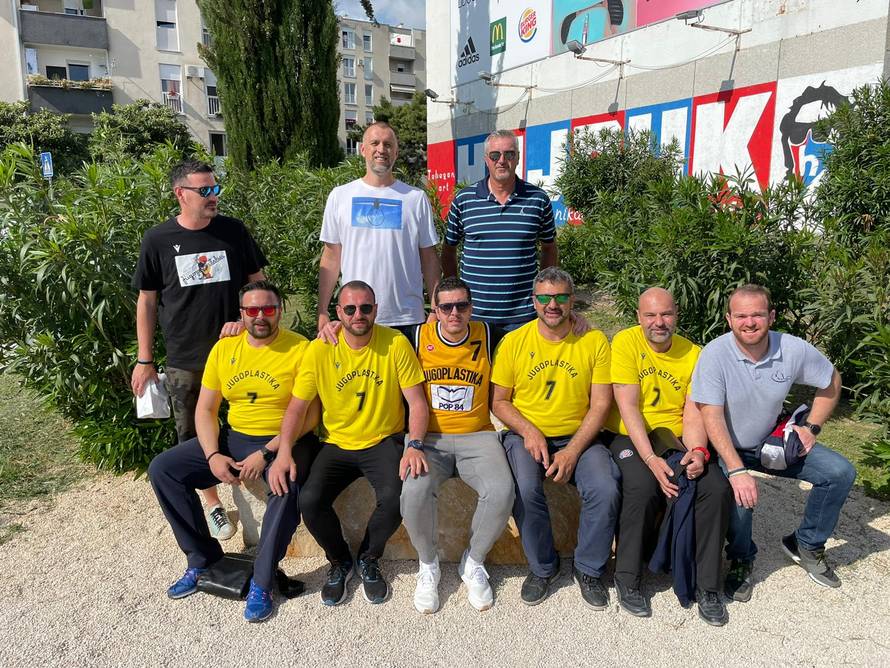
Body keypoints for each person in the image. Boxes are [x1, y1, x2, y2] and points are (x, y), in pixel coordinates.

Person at [148, 281, 319, 623]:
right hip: (235, 437)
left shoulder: (301, 349)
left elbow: (309, 415)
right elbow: (206, 410)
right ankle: (201, 559)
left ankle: (263, 579)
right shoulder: (224, 349)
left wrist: (269, 453)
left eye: (268, 309)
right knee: (163, 469)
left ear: (279, 311)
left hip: (285, 440)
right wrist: (213, 455)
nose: (260, 316)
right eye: (252, 310)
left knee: (284, 485)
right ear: (241, 313)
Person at [691, 284, 855, 601]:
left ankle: (805, 544)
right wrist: (738, 472)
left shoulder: (791, 349)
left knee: (839, 472)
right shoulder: (715, 354)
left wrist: (812, 427)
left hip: (770, 442)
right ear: (728, 319)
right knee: (741, 501)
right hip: (726, 446)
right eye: (741, 315)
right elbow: (710, 417)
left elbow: (832, 379)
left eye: (757, 314)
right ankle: (741, 558)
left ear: (772, 316)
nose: (749, 322)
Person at [271, 280, 429, 606]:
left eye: (366, 308)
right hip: (335, 443)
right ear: (338, 312)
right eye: (351, 308)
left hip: (382, 440)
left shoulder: (395, 343)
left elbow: (417, 402)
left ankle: (368, 558)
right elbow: (298, 407)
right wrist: (283, 451)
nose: (359, 314)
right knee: (310, 500)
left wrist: (414, 445)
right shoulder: (320, 349)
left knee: (396, 495)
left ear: (376, 309)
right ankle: (340, 560)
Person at [132, 159, 267, 541]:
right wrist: (145, 358)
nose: (214, 196)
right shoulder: (157, 239)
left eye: (215, 188)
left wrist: (246, 319)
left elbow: (259, 283)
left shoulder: (233, 231)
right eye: (205, 191)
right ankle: (212, 504)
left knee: (250, 420)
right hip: (186, 358)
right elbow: (146, 301)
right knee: (191, 433)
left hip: (240, 352)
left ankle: (256, 485)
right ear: (181, 194)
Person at [603, 287, 732, 625]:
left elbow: (693, 414)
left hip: (675, 438)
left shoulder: (694, 354)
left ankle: (707, 586)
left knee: (715, 488)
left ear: (676, 315)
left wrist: (697, 453)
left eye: (666, 314)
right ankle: (628, 577)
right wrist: (649, 459)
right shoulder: (626, 343)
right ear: (638, 317)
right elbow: (628, 407)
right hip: (631, 436)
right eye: (650, 315)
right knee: (642, 486)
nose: (658, 322)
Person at [491, 267, 619, 608]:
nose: (553, 304)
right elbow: (499, 402)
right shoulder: (514, 342)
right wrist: (530, 431)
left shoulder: (592, 341)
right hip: (525, 435)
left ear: (572, 301)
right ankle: (543, 566)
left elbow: (602, 404)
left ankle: (589, 568)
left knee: (605, 489)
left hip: (579, 435)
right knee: (525, 488)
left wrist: (573, 451)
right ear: (533, 301)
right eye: (545, 297)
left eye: (561, 297)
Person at [400, 277, 515, 614]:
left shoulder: (490, 334)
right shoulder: (417, 336)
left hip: (477, 435)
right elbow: (367, 333)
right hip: (429, 439)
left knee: (501, 489)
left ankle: (474, 561)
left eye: (461, 305)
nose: (454, 313)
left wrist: (577, 319)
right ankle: (428, 565)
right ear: (433, 310)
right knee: (414, 492)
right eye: (445, 307)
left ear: (471, 307)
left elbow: (537, 328)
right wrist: (331, 322)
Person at [317, 122, 441, 341]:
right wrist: (322, 310)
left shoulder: (415, 198)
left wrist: (434, 310)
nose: (381, 149)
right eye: (374, 143)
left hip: (406, 319)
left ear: (396, 151)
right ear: (362, 149)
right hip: (356, 316)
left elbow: (429, 258)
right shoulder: (340, 196)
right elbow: (331, 256)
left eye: (388, 144)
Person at [442, 129, 557, 329]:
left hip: (523, 317)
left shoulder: (538, 199)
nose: (502, 160)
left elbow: (549, 248)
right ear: (486, 159)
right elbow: (448, 249)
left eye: (509, 154)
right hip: (474, 316)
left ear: (518, 158)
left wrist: (544, 296)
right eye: (495, 155)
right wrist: (455, 295)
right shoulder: (464, 200)